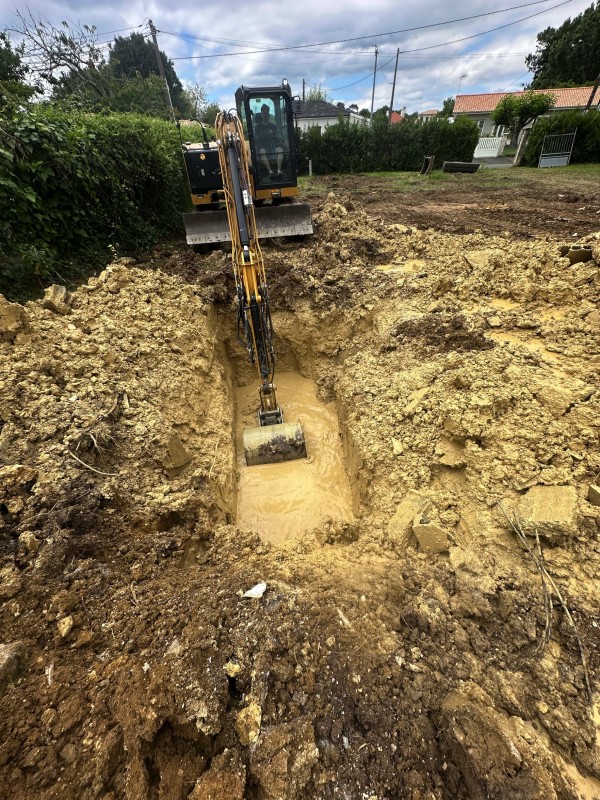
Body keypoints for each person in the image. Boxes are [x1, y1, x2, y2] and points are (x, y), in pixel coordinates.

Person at [254, 104, 284, 178]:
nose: (265, 115)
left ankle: (279, 171)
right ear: (261, 114)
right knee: (262, 152)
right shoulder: (257, 128)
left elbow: (278, 136)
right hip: (263, 148)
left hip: (273, 147)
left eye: (267, 113)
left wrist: (282, 140)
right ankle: (270, 171)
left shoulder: (273, 126)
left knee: (280, 149)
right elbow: (255, 139)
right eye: (264, 113)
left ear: (269, 114)